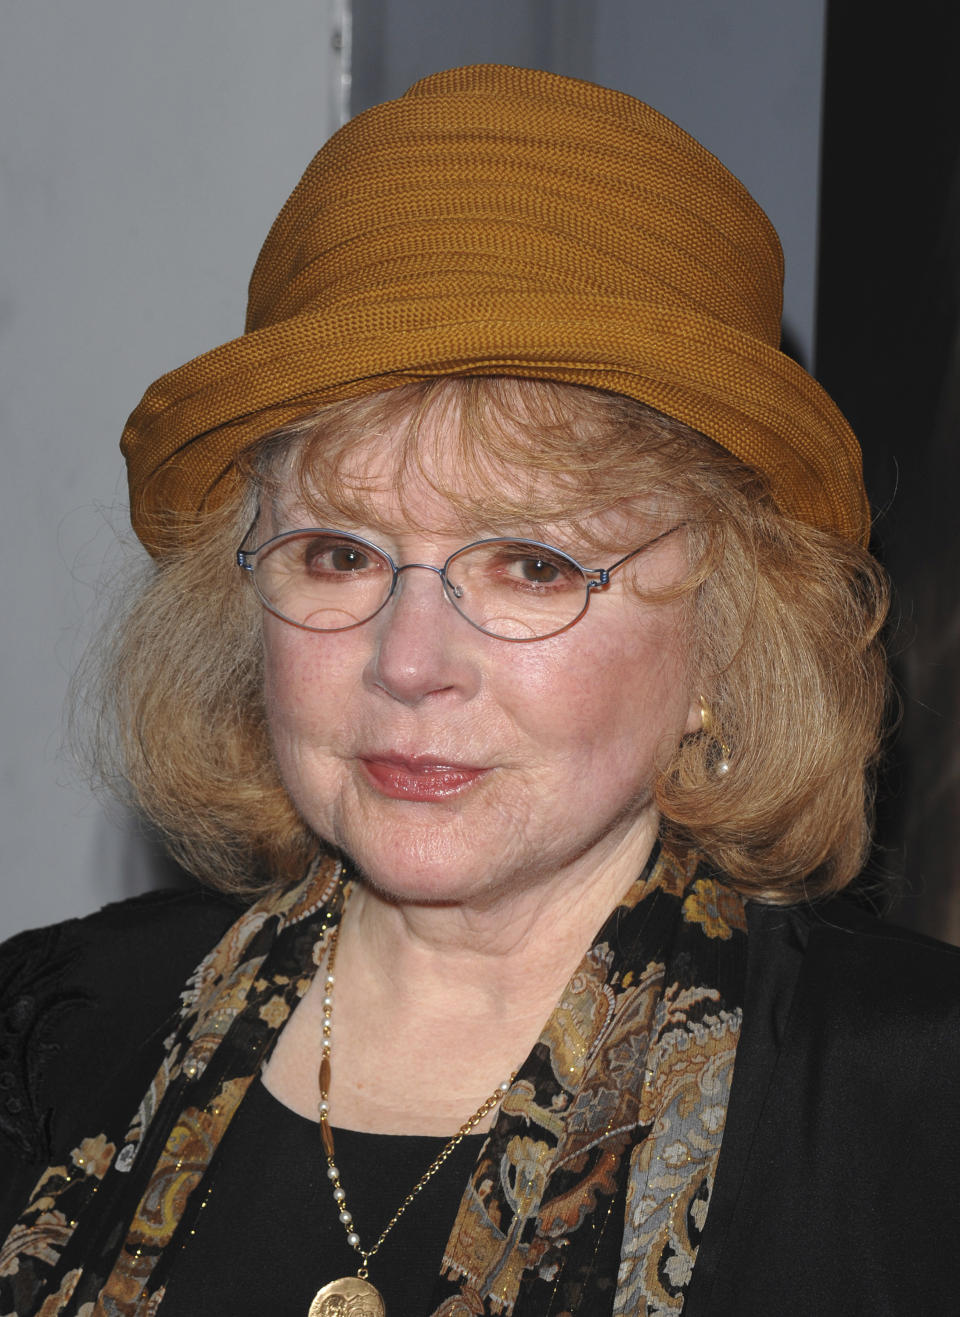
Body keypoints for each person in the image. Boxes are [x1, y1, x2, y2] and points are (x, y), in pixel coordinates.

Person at [1, 64, 958, 1317]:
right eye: (338, 554)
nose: (407, 664)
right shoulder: (52, 1035)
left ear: (728, 637)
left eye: (530, 565)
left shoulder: (914, 1109)